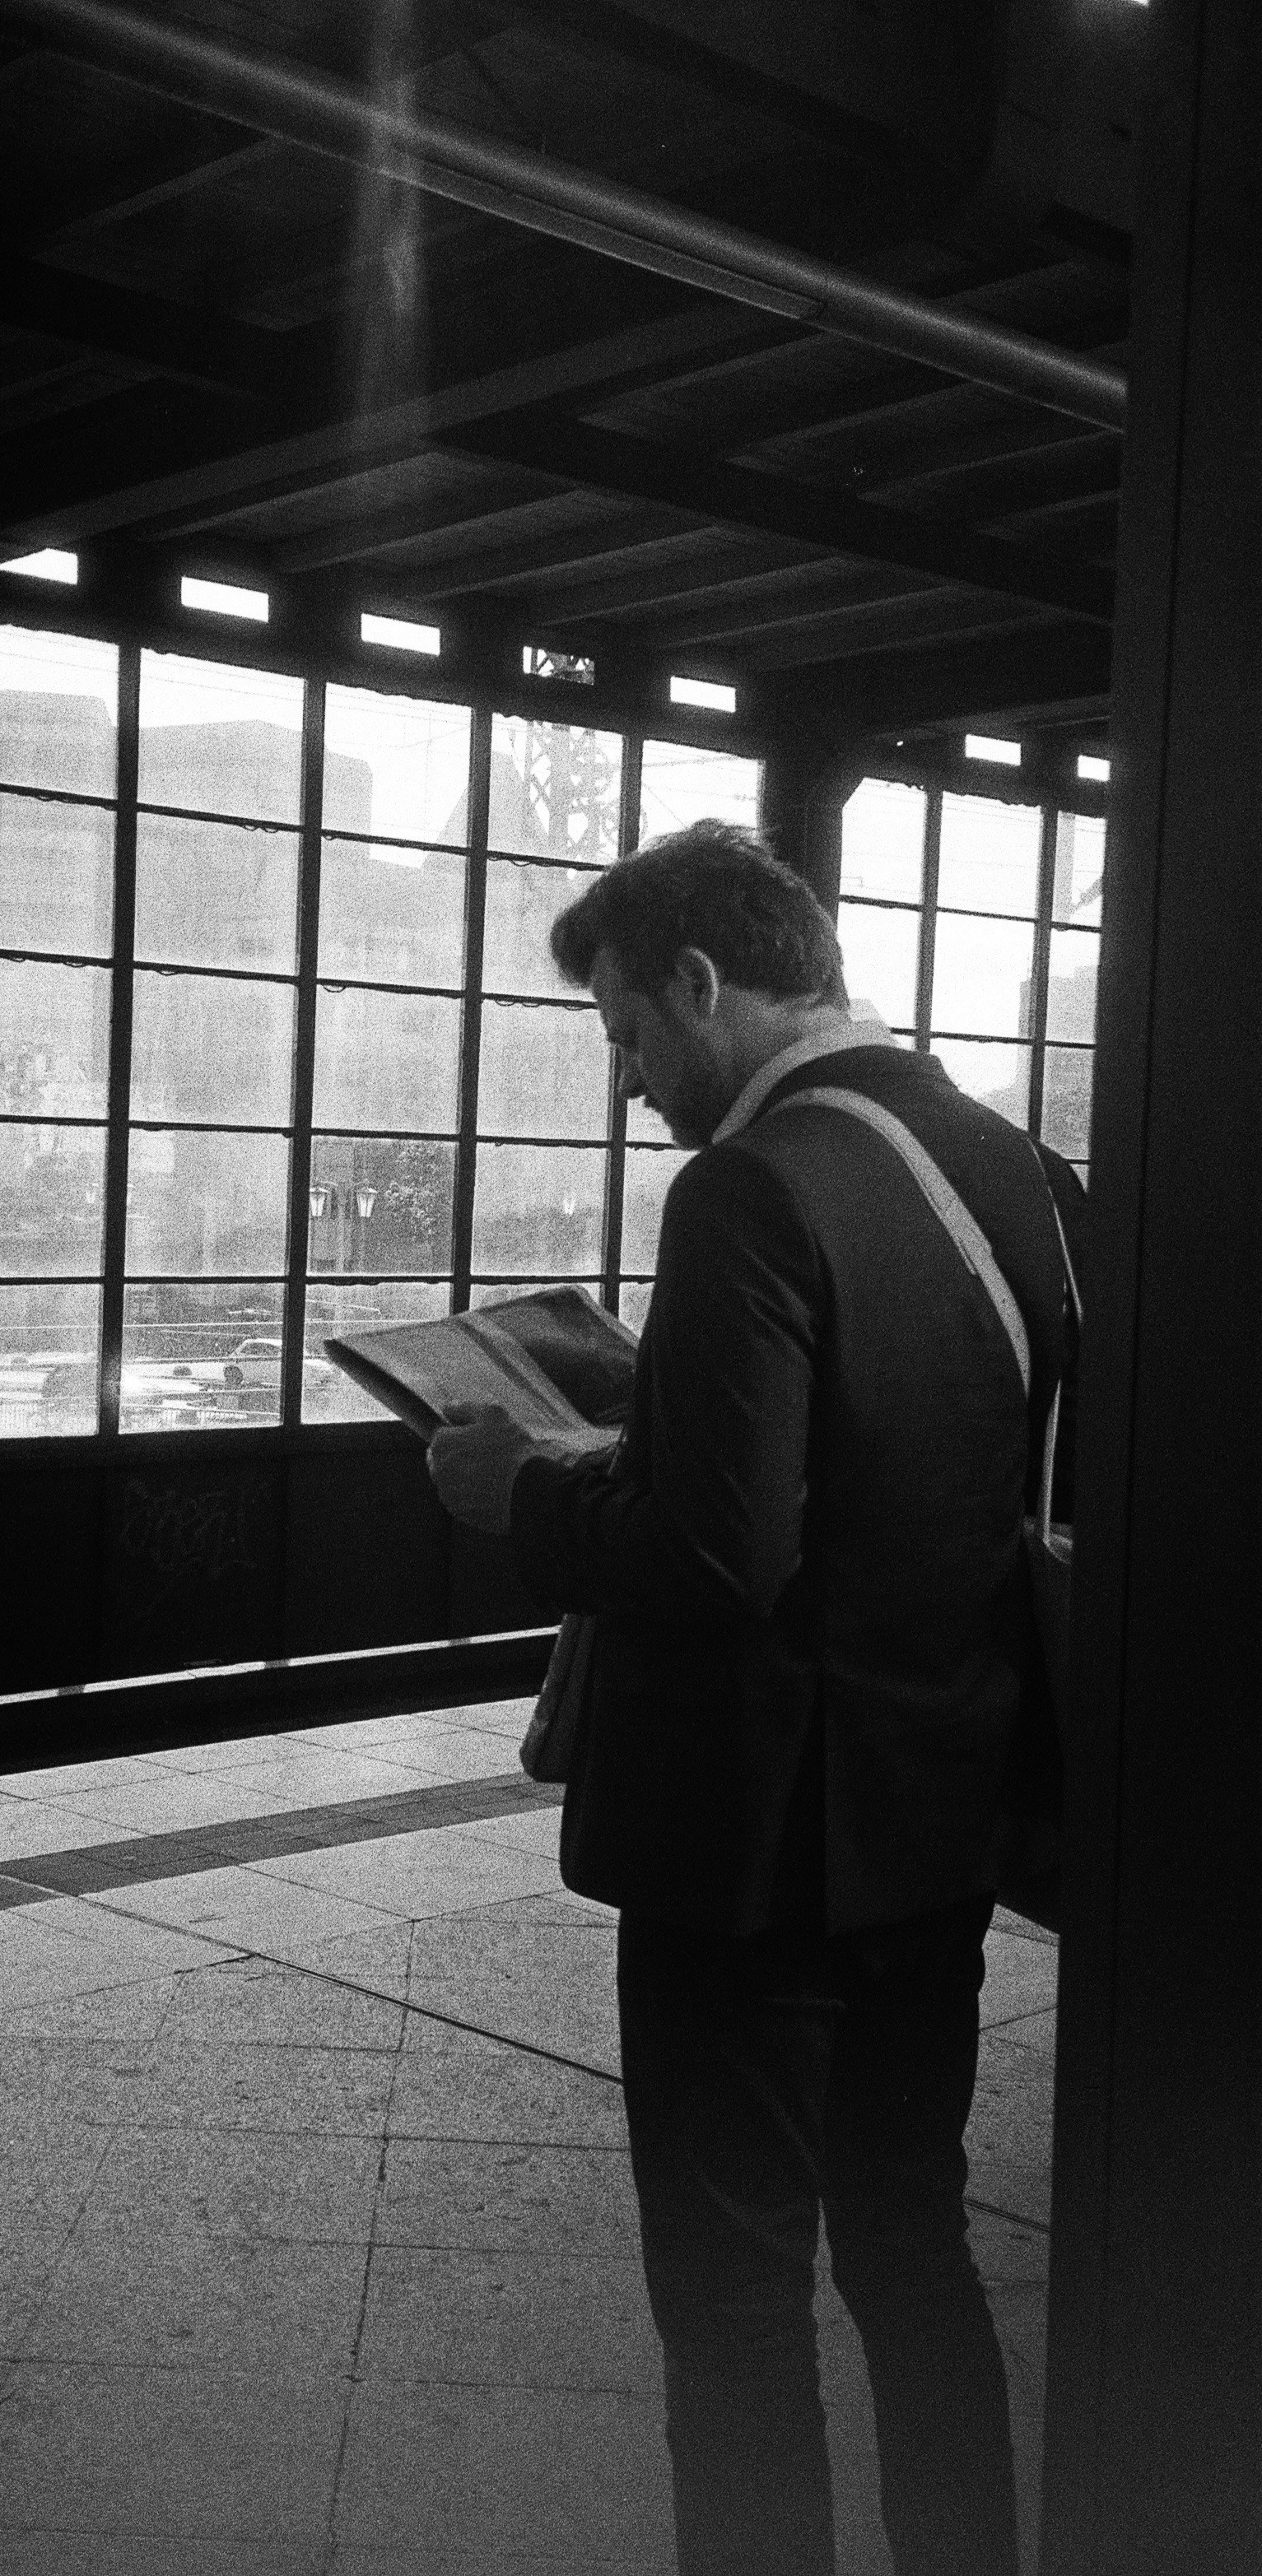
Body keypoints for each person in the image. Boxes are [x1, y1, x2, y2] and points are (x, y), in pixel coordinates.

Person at [427, 820, 1080, 2576]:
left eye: (630, 1027)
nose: (631, 1075)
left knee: (730, 2299)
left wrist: (527, 1487)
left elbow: (721, 1559)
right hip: (936, 1818)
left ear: (707, 984)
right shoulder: (1015, 1168)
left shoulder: (750, 1185)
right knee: (909, 2241)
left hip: (750, 1854)